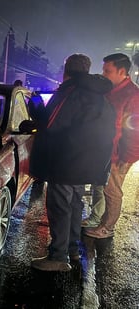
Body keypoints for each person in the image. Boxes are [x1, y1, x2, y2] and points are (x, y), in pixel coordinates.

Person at [28, 54, 115, 271]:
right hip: (87, 164)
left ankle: (58, 257)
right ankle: (73, 250)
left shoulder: (69, 92)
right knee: (76, 206)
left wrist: (37, 107)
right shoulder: (100, 96)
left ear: (65, 70)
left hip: (65, 161)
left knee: (60, 208)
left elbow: (52, 124)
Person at [83, 53, 139, 238]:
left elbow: (134, 132)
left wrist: (126, 157)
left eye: (108, 70)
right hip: (106, 149)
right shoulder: (111, 90)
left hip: (118, 154)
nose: (103, 73)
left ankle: (108, 227)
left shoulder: (132, 95)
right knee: (104, 187)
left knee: (112, 191)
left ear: (122, 71)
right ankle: (100, 221)